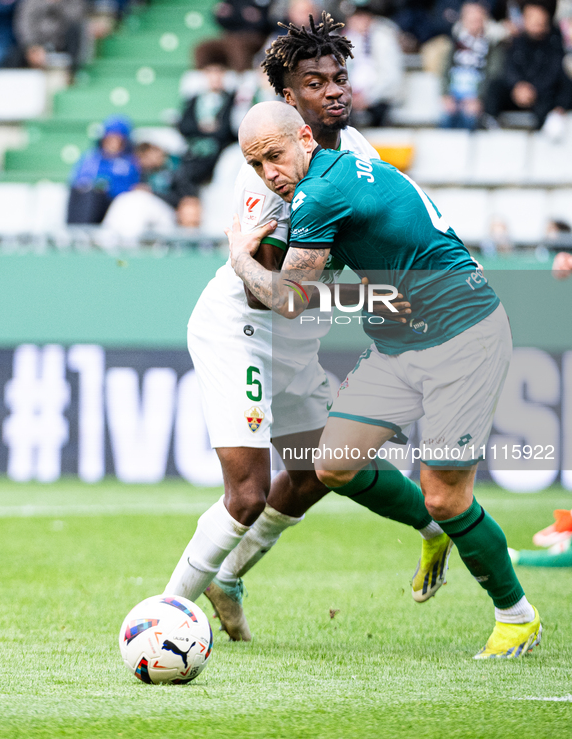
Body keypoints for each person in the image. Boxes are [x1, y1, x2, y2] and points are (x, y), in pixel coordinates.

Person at [163, 13, 450, 643]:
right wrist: (246, 258)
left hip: (298, 332)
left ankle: (229, 577)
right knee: (246, 494)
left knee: (319, 468)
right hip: (240, 326)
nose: (334, 90)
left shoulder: (362, 157)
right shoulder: (264, 173)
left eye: (339, 77)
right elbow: (266, 298)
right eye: (315, 82)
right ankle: (163, 615)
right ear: (289, 100)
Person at [228, 99, 541, 659]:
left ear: (304, 138)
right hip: (401, 340)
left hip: (464, 334)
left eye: (273, 156)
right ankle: (433, 529)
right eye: (256, 166)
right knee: (333, 466)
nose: (268, 173)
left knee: (446, 497)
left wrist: (240, 258)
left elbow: (292, 301)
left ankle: (515, 615)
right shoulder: (339, 170)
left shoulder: (320, 193)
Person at [484, 2, 570, 130]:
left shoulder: (554, 44)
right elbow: (508, 68)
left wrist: (532, 90)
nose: (536, 21)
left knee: (556, 96)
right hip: (516, 94)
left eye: (539, 17)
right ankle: (489, 124)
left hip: (541, 95)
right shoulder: (516, 42)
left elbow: (553, 74)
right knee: (495, 87)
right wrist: (517, 86)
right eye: (531, 16)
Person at [440, 1, 506, 130]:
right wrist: (445, 95)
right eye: (470, 19)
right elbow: (445, 71)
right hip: (454, 93)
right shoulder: (455, 44)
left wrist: (479, 98)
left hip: (477, 95)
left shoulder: (493, 46)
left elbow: (493, 75)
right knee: (446, 116)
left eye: (477, 19)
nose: (474, 23)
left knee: (469, 117)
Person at [67, 114, 140, 225]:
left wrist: (109, 186)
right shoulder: (91, 158)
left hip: (115, 205)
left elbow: (132, 186)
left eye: (117, 139)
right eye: (109, 139)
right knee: (88, 194)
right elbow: (78, 181)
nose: (112, 144)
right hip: (91, 204)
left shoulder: (131, 162)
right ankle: (78, 232)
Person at [177, 54, 238, 186]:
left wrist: (206, 130)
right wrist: (205, 128)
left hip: (220, 152)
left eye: (219, 72)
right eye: (210, 72)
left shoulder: (232, 100)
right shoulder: (194, 99)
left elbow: (229, 130)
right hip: (195, 152)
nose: (215, 77)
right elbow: (184, 126)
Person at [344, 1, 403, 127]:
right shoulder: (347, 37)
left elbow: (391, 77)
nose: (355, 21)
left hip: (379, 98)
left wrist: (368, 97)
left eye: (360, 17)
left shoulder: (383, 38)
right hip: (350, 97)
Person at [14, 0, 86, 73]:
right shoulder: (30, 2)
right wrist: (33, 46)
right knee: (13, 58)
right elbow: (24, 25)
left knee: (76, 30)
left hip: (64, 46)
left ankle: (74, 72)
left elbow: (77, 17)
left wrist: (56, 4)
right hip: (38, 46)